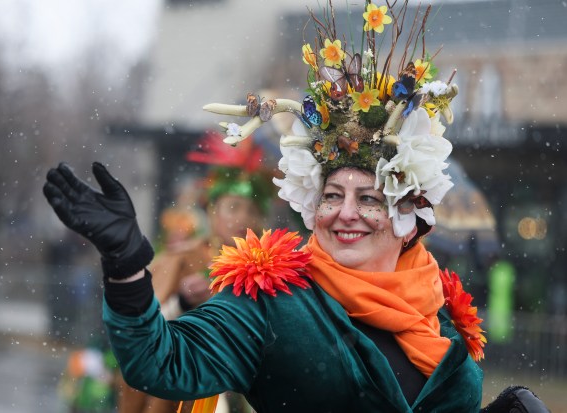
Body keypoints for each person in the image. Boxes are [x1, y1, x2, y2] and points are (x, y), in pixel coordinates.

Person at [43, 2, 550, 411]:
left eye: (368, 198)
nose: (343, 212)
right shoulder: (272, 299)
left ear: (406, 214)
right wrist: (126, 268)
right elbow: (160, 362)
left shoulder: (439, 310)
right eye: (331, 195)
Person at [115, 132, 274, 413]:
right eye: (233, 207)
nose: (243, 219)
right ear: (212, 211)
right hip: (184, 396)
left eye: (252, 210)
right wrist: (182, 302)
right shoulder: (180, 259)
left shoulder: (274, 269)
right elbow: (142, 333)